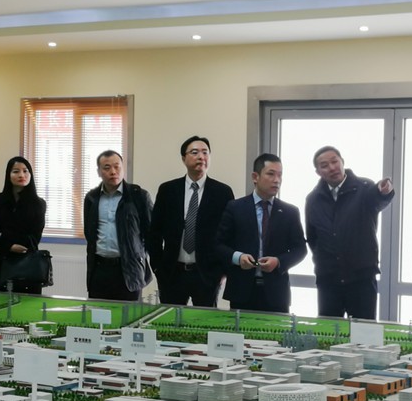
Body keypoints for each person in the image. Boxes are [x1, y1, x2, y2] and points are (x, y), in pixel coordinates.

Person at [305, 146, 394, 319]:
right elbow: (313, 237)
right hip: (328, 280)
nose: (332, 168)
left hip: (361, 278)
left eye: (334, 161)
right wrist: (324, 261)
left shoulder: (364, 188)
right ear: (318, 172)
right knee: (329, 330)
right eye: (324, 165)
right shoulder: (313, 199)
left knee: (363, 331)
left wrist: (384, 192)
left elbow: (378, 200)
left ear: (342, 162)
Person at [148, 136, 235, 307]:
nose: (201, 157)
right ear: (183, 158)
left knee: (204, 321)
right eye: (195, 152)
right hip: (172, 273)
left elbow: (229, 235)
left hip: (207, 274)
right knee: (170, 319)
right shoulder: (168, 190)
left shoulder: (222, 192)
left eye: (205, 153)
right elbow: (154, 232)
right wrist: (157, 267)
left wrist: (222, 271)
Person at [215, 152, 307, 313]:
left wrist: (278, 261)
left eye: (280, 175)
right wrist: (238, 258)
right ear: (255, 177)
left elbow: (300, 249)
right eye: (271, 174)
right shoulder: (235, 208)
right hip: (241, 292)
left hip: (276, 293)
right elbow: (218, 245)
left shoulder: (290, 212)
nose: (277, 180)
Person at [83, 150, 153, 301]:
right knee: (98, 312)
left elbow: (150, 234)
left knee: (129, 313)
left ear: (123, 168)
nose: (113, 172)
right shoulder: (91, 198)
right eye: (107, 168)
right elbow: (89, 233)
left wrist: (139, 256)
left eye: (117, 166)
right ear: (99, 172)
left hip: (128, 269)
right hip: (99, 268)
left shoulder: (138, 196)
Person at [0, 156, 47, 294]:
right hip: (3, 258)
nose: (21, 175)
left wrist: (7, 236)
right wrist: (9, 246)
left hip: (28, 260)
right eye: (16, 171)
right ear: (8, 175)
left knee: (28, 304)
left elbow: (36, 236)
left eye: (25, 171)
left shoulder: (39, 204)